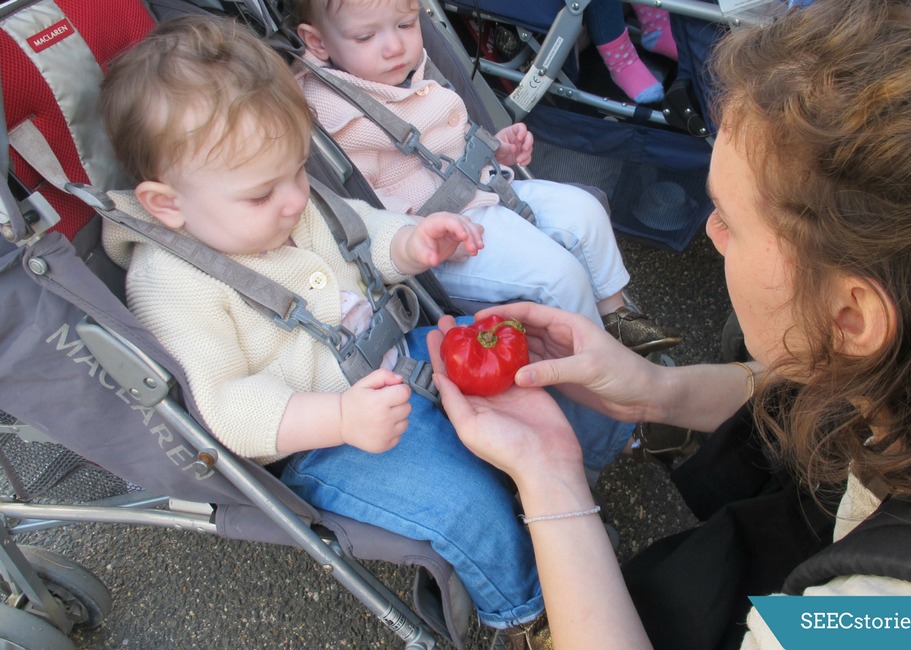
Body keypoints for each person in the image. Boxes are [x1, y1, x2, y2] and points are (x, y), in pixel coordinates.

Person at [425, 0, 911, 647]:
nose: (711, 233)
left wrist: (551, 475)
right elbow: (800, 376)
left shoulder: (891, 622)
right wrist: (653, 391)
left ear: (853, 316)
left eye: (730, 216)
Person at [99, 15, 634, 643]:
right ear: (168, 204)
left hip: (401, 350)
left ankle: (605, 454)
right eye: (262, 193)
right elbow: (223, 407)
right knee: (463, 506)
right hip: (326, 435)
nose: (296, 200)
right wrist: (339, 420)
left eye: (298, 172)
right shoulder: (172, 283)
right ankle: (528, 610)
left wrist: (409, 243)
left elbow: (357, 228)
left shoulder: (282, 203)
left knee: (537, 374)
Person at [292, 0, 683, 355]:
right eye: (366, 36)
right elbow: (364, 205)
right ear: (318, 43)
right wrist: (416, 233)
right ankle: (596, 360)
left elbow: (447, 141)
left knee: (586, 211)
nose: (395, 46)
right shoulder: (333, 113)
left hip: (488, 188)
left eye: (407, 25)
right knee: (560, 277)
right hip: (447, 235)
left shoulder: (403, 70)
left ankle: (616, 317)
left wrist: (495, 148)